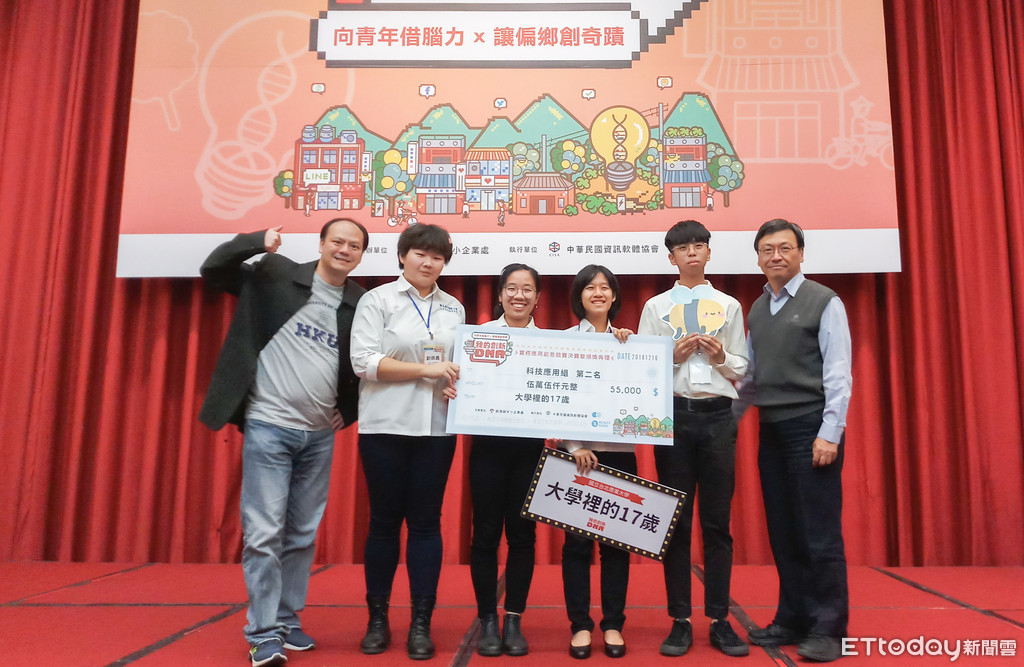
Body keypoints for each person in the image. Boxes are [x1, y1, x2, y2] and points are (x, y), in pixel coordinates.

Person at [198, 219, 368, 667]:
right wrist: (256, 242)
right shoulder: (276, 274)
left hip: (319, 434)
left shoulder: (359, 302)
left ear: (361, 255)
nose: (344, 250)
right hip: (269, 425)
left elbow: (368, 360)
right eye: (337, 242)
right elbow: (213, 270)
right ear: (321, 243)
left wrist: (349, 410)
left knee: (302, 534)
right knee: (264, 533)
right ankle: (262, 633)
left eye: (354, 246)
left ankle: (287, 619)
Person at [349, 223, 465, 660]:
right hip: (384, 426)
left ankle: (421, 623)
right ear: (402, 256)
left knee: (426, 523)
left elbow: (459, 365)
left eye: (437, 257)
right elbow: (363, 362)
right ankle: (377, 620)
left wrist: (458, 384)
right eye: (420, 254)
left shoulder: (454, 308)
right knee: (383, 523)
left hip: (436, 429)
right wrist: (424, 370)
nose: (428, 262)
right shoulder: (377, 300)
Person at [739, 218, 852, 663]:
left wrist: (830, 433)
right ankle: (792, 617)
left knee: (818, 534)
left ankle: (829, 629)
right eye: (767, 250)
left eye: (785, 248)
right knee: (784, 532)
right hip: (772, 431)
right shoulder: (756, 309)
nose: (776, 256)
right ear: (758, 258)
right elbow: (751, 378)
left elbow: (838, 373)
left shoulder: (824, 301)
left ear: (801, 254)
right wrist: (727, 420)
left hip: (811, 429)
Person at [637, 220, 750, 658]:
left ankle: (720, 619)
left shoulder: (729, 305)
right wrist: (671, 356)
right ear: (671, 258)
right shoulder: (655, 306)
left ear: (708, 253)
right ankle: (680, 619)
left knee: (717, 522)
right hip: (674, 416)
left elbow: (743, 366)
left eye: (699, 246)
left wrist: (721, 357)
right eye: (683, 248)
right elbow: (642, 367)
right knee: (676, 521)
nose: (691, 253)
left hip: (719, 415)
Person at [469, 263, 546, 657]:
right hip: (487, 450)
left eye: (527, 289)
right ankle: (487, 619)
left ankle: (513, 618)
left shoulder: (551, 343)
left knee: (522, 536)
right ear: (500, 295)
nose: (519, 295)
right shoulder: (477, 338)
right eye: (512, 288)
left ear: (537, 298)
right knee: (484, 534)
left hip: (529, 452)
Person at [561, 264, 636, 660]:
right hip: (578, 456)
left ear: (614, 296)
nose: (598, 293)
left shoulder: (630, 342)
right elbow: (556, 399)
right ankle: (580, 624)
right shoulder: (564, 341)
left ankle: (612, 623)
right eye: (590, 287)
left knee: (616, 545)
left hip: (620, 455)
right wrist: (574, 446)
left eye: (605, 287)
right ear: (579, 296)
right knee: (577, 544)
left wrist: (632, 350)